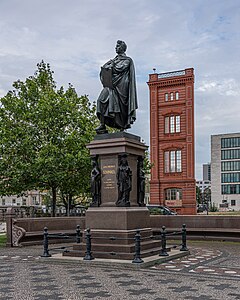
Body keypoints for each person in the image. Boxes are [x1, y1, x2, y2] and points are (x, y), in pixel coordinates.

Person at [96, 40, 138, 134]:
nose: (116, 48)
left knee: (121, 106)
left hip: (122, 86)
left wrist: (112, 65)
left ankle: (122, 125)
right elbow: (104, 71)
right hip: (110, 86)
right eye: (116, 46)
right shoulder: (113, 60)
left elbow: (121, 68)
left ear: (122, 48)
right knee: (100, 101)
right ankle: (102, 125)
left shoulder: (127, 60)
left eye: (118, 46)